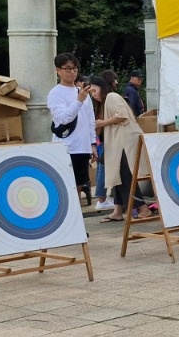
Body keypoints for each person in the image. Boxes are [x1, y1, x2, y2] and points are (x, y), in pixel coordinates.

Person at [91, 76, 147, 223]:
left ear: (101, 87)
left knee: (124, 174)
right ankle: (117, 210)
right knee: (116, 173)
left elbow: (122, 116)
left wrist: (102, 123)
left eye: (94, 90)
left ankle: (142, 207)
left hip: (124, 142)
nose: (93, 94)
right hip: (119, 142)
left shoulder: (111, 96)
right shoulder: (107, 100)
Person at [48, 53, 96, 206]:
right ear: (58, 70)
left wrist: (93, 144)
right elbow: (63, 118)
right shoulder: (55, 93)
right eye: (67, 69)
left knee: (79, 186)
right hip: (65, 147)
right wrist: (79, 100)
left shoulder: (82, 92)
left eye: (74, 68)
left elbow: (90, 120)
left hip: (82, 147)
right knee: (64, 187)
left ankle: (76, 222)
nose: (72, 72)